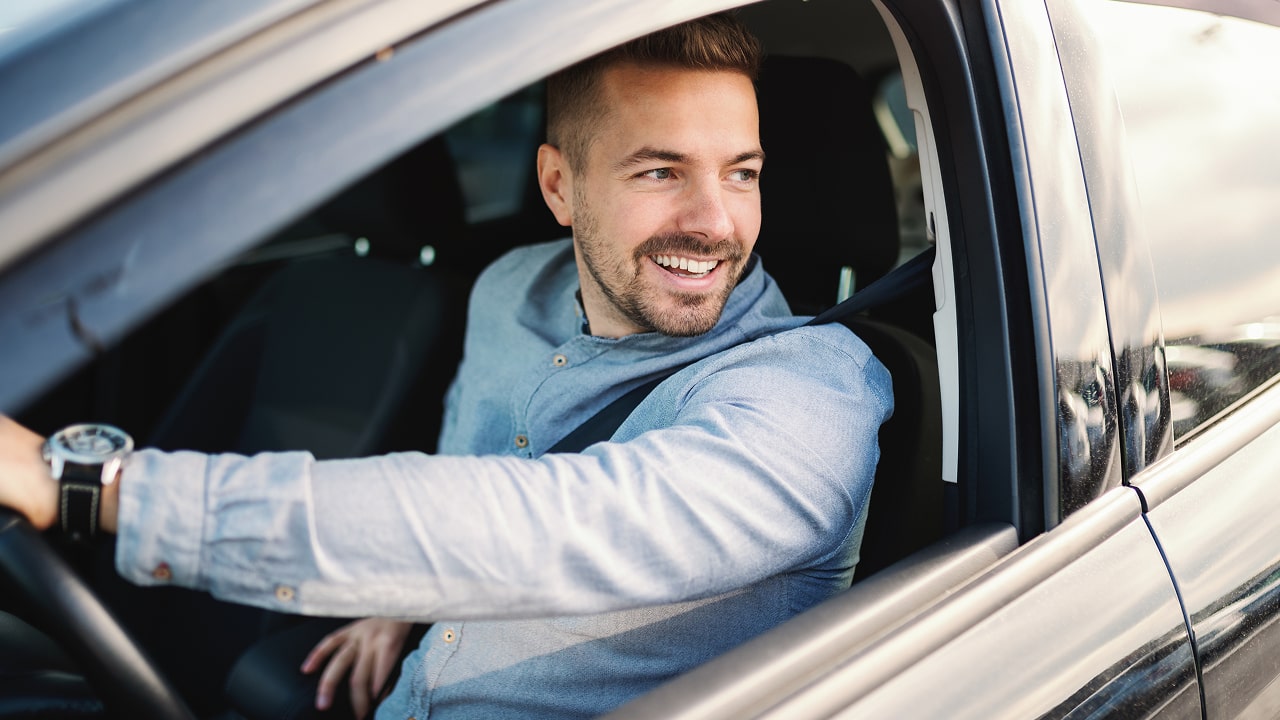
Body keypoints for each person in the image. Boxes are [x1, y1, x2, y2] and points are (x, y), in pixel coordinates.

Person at [0, 12, 892, 719]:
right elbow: (471, 478)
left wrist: (97, 486)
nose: (715, 220)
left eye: (742, 173)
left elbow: (547, 529)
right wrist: (403, 604)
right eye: (660, 171)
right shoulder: (511, 290)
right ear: (557, 186)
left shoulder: (811, 397)